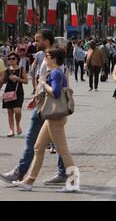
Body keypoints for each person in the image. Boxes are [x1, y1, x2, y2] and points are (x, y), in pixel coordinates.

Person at [0, 30, 67, 186]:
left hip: (46, 106)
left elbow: (55, 83)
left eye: (38, 40)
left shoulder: (52, 59)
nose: (35, 43)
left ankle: (20, 173)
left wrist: (41, 93)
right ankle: (60, 173)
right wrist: (36, 96)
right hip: (43, 103)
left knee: (34, 140)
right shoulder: (47, 57)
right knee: (54, 142)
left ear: (47, 41)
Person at [12, 47, 79, 192]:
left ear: (53, 58)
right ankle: (29, 181)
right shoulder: (56, 72)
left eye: (47, 55)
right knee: (38, 147)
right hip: (52, 117)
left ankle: (74, 182)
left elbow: (54, 92)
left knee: (62, 150)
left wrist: (43, 84)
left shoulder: (55, 73)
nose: (45, 57)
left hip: (55, 117)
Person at [2, 52, 28, 137]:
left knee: (17, 110)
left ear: (17, 60)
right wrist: (4, 77)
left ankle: (17, 125)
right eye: (9, 59)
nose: (11, 60)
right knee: (10, 111)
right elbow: (3, 81)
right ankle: (11, 130)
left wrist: (18, 78)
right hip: (8, 91)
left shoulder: (21, 69)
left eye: (13, 58)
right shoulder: (7, 70)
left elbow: (26, 81)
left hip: (18, 92)